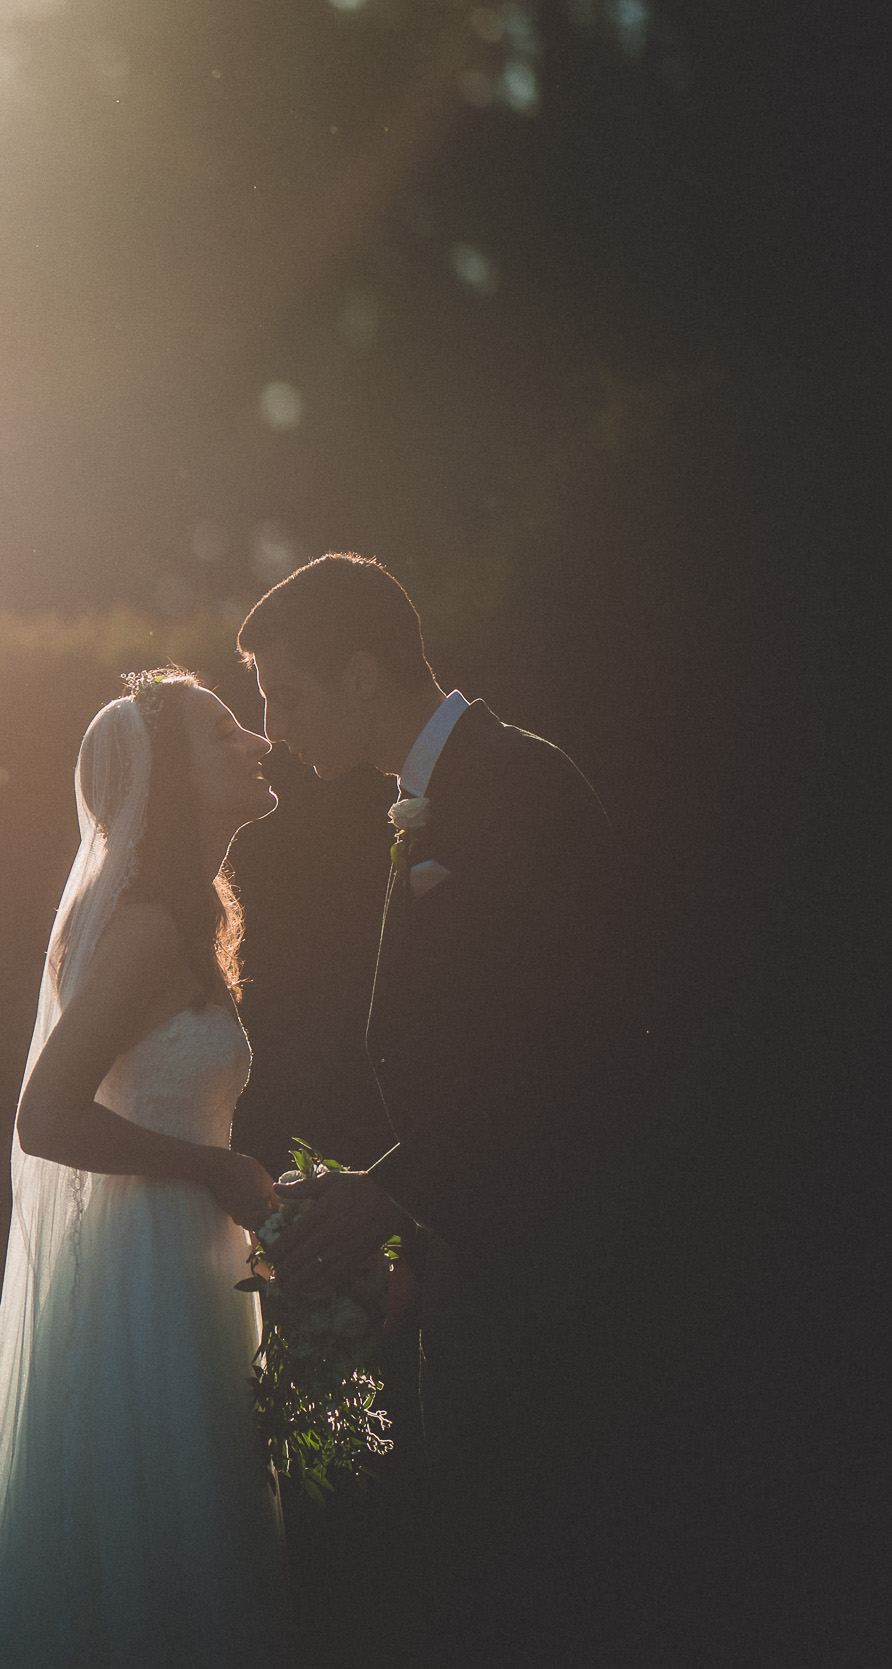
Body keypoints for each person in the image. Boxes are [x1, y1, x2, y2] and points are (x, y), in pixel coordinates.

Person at [238, 553, 627, 1663]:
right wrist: (408, 1223)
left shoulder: (514, 782)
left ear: (362, 674)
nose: (272, 726)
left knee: (533, 1580)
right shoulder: (433, 796)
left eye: (286, 692)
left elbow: (561, 1049)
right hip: (482, 1255)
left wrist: (386, 1195)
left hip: (555, 1276)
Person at [0, 667, 290, 1668]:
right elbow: (43, 1116)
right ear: (171, 780)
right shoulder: (146, 927)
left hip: (184, 1270)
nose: (258, 741)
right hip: (141, 1282)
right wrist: (211, 1172)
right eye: (226, 734)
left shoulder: (185, 915)